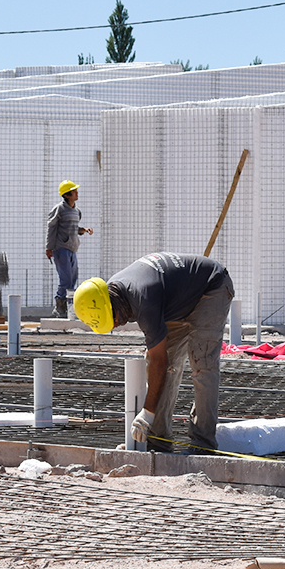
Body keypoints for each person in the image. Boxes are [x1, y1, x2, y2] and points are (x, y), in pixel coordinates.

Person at [74, 252, 234, 453]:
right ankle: (159, 441)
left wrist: (147, 413)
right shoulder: (114, 290)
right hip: (177, 301)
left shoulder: (142, 298)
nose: (116, 324)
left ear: (112, 304)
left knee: (202, 364)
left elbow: (160, 361)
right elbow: (160, 362)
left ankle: (203, 444)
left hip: (212, 287)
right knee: (163, 366)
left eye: (113, 319)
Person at [45, 179, 93, 318]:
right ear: (66, 195)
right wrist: (49, 248)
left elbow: (73, 229)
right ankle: (59, 307)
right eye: (74, 191)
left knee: (72, 280)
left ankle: (70, 310)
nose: (77, 192)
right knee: (65, 279)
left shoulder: (76, 211)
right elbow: (51, 227)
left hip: (72, 249)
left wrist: (83, 230)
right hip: (60, 249)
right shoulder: (59, 209)